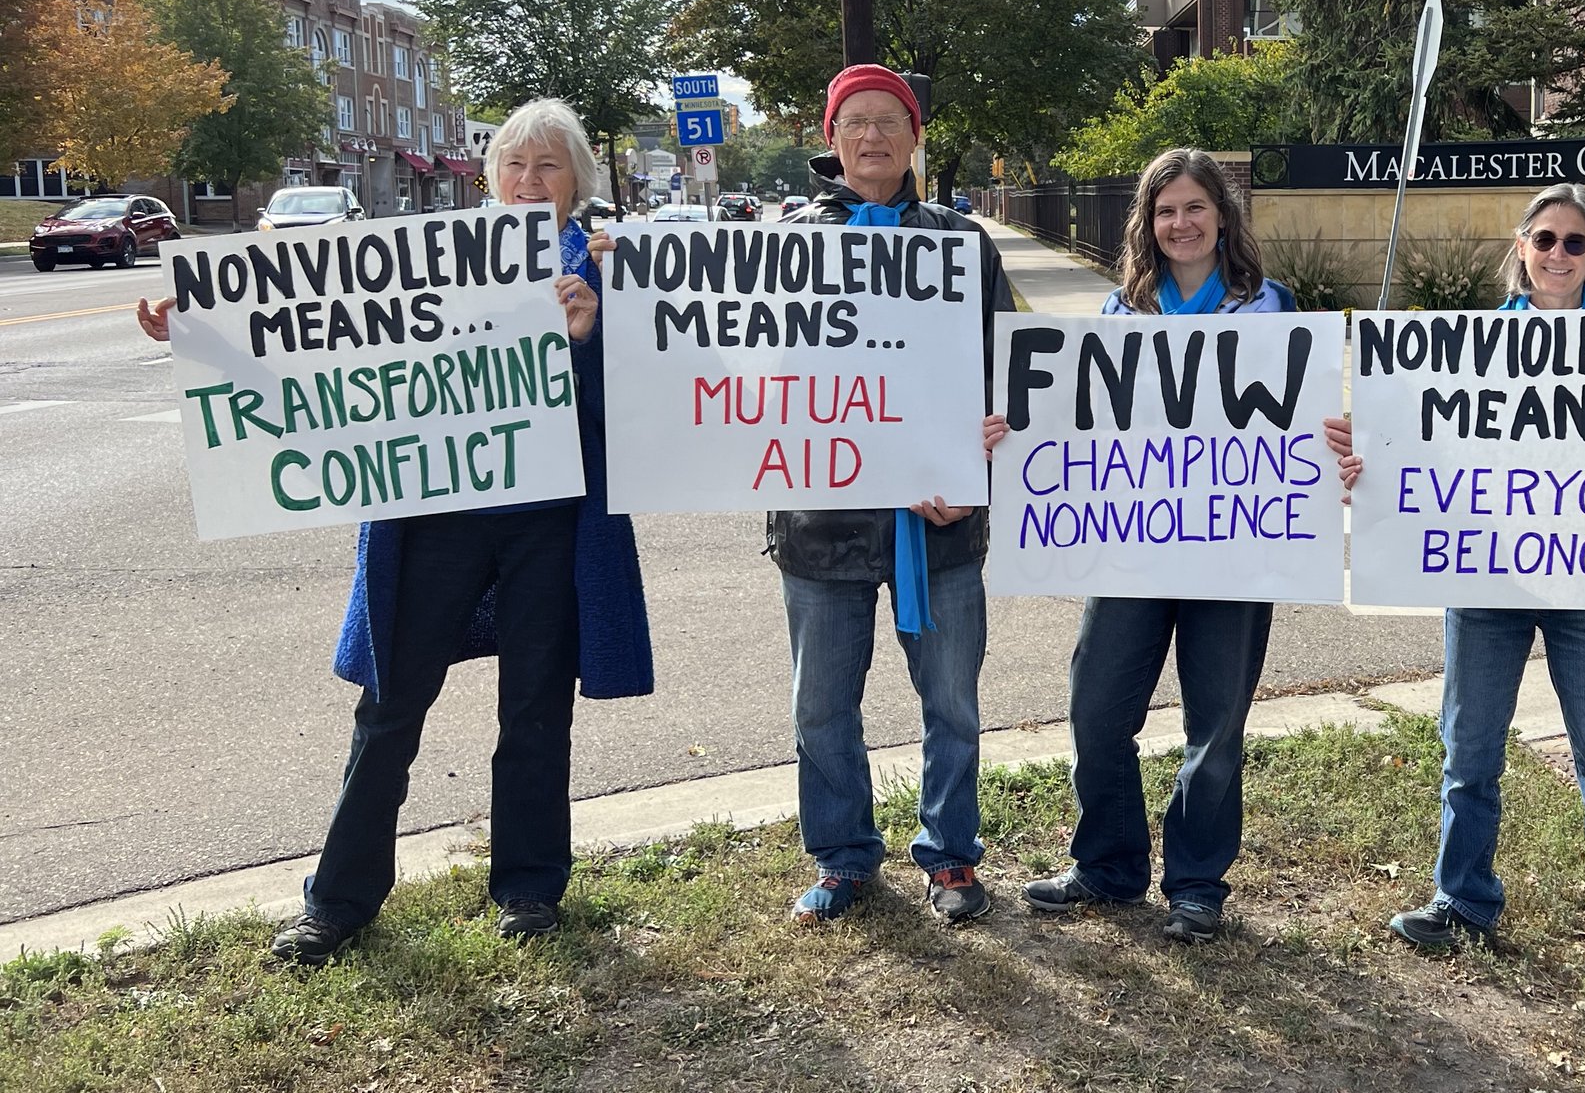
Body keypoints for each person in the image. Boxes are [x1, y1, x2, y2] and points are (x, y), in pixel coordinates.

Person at [137, 98, 654, 964]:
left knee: (534, 709)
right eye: (514, 165)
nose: (529, 182)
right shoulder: (429, 262)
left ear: (578, 183)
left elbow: (641, 420)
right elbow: (314, 346)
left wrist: (592, 336)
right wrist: (196, 332)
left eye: (549, 167)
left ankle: (528, 887)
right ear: (489, 177)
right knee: (389, 707)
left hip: (553, 526)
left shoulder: (604, 273)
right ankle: (337, 900)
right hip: (436, 522)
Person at [1323, 183, 1585, 1024]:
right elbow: (1420, 450)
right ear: (1520, 248)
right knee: (1467, 752)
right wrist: (1365, 462)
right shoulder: (1466, 349)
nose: (1558, 255)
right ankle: (1464, 900)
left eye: (1576, 243)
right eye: (1545, 239)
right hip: (1486, 580)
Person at [1019, 148, 1295, 944]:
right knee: (1097, 708)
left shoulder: (1269, 309)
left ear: (1222, 217)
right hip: (1131, 549)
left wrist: (1333, 442)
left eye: (1195, 207)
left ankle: (1198, 883)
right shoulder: (1118, 314)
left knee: (1215, 724)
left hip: (1232, 554)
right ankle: (1107, 865)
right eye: (1165, 210)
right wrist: (1018, 430)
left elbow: (1295, 427)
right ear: (1148, 222)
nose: (1181, 223)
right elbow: (1081, 426)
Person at [770, 63, 1014, 927]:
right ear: (831, 140)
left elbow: (1004, 371)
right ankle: (843, 858)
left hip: (941, 525)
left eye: (889, 121)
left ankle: (951, 857)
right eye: (855, 122)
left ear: (915, 138)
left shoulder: (962, 242)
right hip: (820, 524)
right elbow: (745, 371)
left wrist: (973, 463)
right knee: (821, 703)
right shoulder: (785, 240)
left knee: (951, 701)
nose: (872, 137)